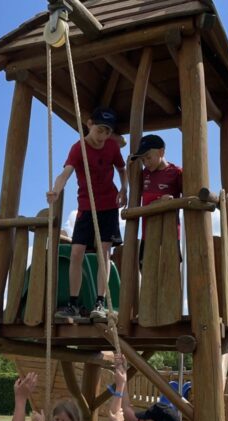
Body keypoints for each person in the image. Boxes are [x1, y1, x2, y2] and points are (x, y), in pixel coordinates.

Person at [47, 106, 127, 322]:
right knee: (76, 253)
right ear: (89, 125)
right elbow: (65, 173)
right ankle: (73, 303)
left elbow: (122, 169)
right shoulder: (78, 148)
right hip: (86, 207)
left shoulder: (111, 146)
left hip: (108, 206)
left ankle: (100, 302)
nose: (103, 136)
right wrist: (55, 190)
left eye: (107, 132)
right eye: (100, 130)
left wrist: (124, 188)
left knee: (104, 252)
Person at [129, 133, 182, 267]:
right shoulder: (144, 174)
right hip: (147, 235)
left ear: (161, 152)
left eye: (148, 157)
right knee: (146, 272)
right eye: (142, 160)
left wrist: (170, 201)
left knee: (170, 272)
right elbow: (136, 190)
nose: (146, 163)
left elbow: (187, 198)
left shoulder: (176, 172)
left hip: (169, 234)